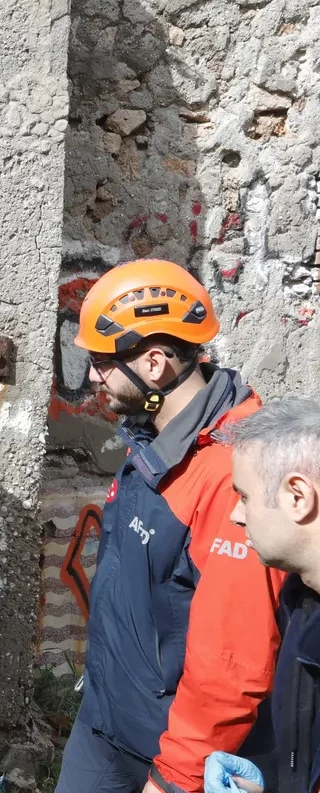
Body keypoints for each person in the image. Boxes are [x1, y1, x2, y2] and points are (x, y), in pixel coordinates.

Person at [53, 259, 288, 793]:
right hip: (107, 723)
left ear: (154, 363)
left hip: (169, 755)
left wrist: (176, 777)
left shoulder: (232, 472)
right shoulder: (154, 439)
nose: (91, 375)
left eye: (102, 361)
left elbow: (234, 658)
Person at [202, 397, 320, 793]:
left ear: (298, 497)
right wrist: (267, 781)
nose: (236, 514)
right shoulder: (302, 604)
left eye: (245, 496)